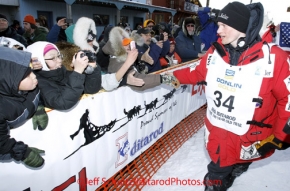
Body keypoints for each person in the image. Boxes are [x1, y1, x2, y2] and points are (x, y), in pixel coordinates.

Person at [172, 2, 290, 190]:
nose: (218, 31)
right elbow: (194, 73)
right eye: (218, 25)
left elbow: (287, 99)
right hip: (219, 132)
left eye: (224, 25)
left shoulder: (274, 58)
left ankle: (237, 168)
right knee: (217, 170)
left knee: (241, 160)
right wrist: (161, 79)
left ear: (240, 27)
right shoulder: (215, 52)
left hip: (251, 136)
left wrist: (280, 137)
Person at [0, 47, 45, 168]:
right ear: (8, 83)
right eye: (26, 75)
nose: (34, 76)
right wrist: (21, 152)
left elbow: (37, 95)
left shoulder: (31, 88)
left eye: (30, 70)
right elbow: (1, 143)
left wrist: (39, 108)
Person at [27, 41, 102, 110]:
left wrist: (92, 68)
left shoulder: (64, 73)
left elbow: (91, 90)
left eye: (59, 56)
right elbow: (62, 103)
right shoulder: (38, 83)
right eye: (53, 58)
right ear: (38, 61)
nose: (59, 60)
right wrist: (78, 71)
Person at [103, 27, 180, 91]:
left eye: (129, 42)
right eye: (125, 43)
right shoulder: (117, 64)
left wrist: (141, 57)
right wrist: (164, 79)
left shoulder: (121, 58)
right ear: (117, 48)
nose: (129, 45)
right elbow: (139, 80)